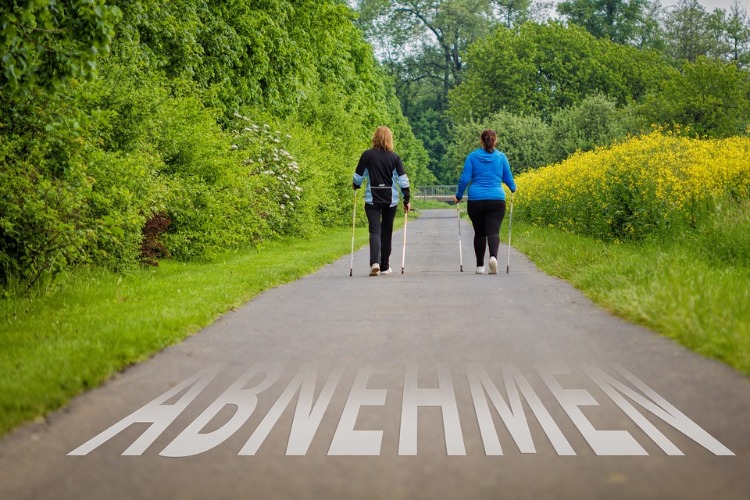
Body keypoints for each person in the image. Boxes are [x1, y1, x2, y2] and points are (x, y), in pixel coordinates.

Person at [454, 129, 516, 275]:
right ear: (495, 140)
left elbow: (465, 178)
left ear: (481, 140)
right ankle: (493, 257)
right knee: (493, 231)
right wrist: (513, 188)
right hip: (496, 199)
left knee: (480, 232)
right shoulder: (501, 157)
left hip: (476, 200)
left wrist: (458, 195)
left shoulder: (472, 157)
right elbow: (508, 178)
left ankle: (480, 266)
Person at [353, 126, 411, 276]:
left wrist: (356, 185)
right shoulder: (394, 158)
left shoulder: (367, 155)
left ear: (375, 137)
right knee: (386, 231)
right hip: (390, 200)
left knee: (374, 231)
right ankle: (385, 266)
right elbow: (403, 180)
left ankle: (375, 262)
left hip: (372, 200)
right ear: (390, 139)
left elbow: (358, 177)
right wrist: (406, 199)